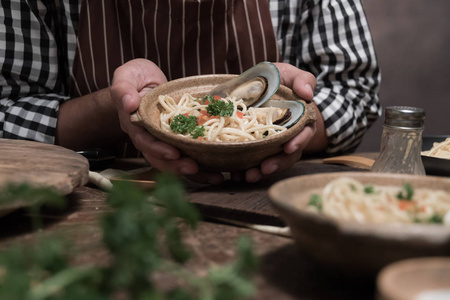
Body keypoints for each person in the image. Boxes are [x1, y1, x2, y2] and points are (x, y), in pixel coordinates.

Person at [0, 0, 380, 184]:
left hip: (265, 192)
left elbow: (354, 92)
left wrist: (293, 125)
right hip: (108, 196)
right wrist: (117, 109)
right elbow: (6, 112)